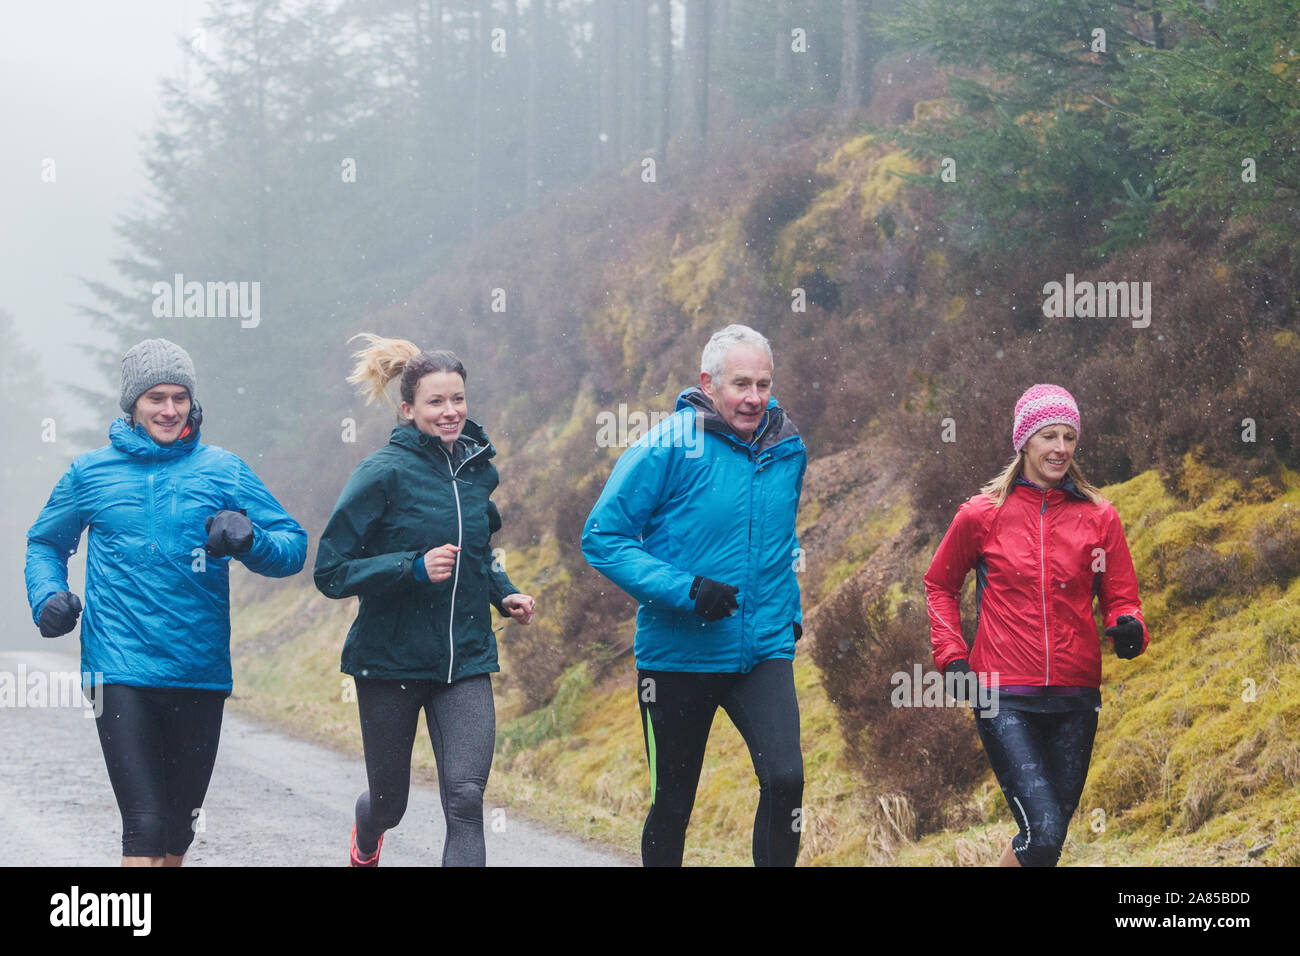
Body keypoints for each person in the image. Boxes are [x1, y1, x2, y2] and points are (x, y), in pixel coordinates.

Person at [25, 337, 307, 866]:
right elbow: (45, 542)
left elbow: (292, 548)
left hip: (198, 669)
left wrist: (250, 539)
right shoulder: (90, 473)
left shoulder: (224, 470)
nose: (170, 409)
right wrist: (47, 597)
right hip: (118, 668)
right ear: (133, 403)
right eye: (156, 397)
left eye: (180, 397)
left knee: (178, 832)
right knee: (145, 826)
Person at [581, 324, 808, 867]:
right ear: (708, 383)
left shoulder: (788, 449)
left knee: (786, 780)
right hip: (677, 657)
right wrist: (686, 590)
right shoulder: (668, 444)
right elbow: (602, 537)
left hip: (762, 649)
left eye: (763, 384)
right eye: (740, 384)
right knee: (674, 803)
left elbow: (779, 538)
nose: (754, 397)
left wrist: (790, 615)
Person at [314, 334, 535, 867]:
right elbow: (330, 571)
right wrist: (411, 568)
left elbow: (478, 554)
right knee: (391, 802)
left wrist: (504, 594)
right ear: (408, 409)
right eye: (436, 402)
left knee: (465, 799)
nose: (451, 411)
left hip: (466, 660)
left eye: (458, 399)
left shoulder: (478, 470)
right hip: (389, 663)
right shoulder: (381, 472)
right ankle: (368, 836)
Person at [924, 383, 1149, 867]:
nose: (1061, 448)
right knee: (1043, 830)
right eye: (1049, 435)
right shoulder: (982, 514)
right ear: (1024, 441)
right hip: (1002, 694)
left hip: (1075, 695)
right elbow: (939, 585)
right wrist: (952, 656)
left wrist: (1129, 626)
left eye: (1069, 436)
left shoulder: (1099, 517)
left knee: (1043, 841)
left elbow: (1121, 596)